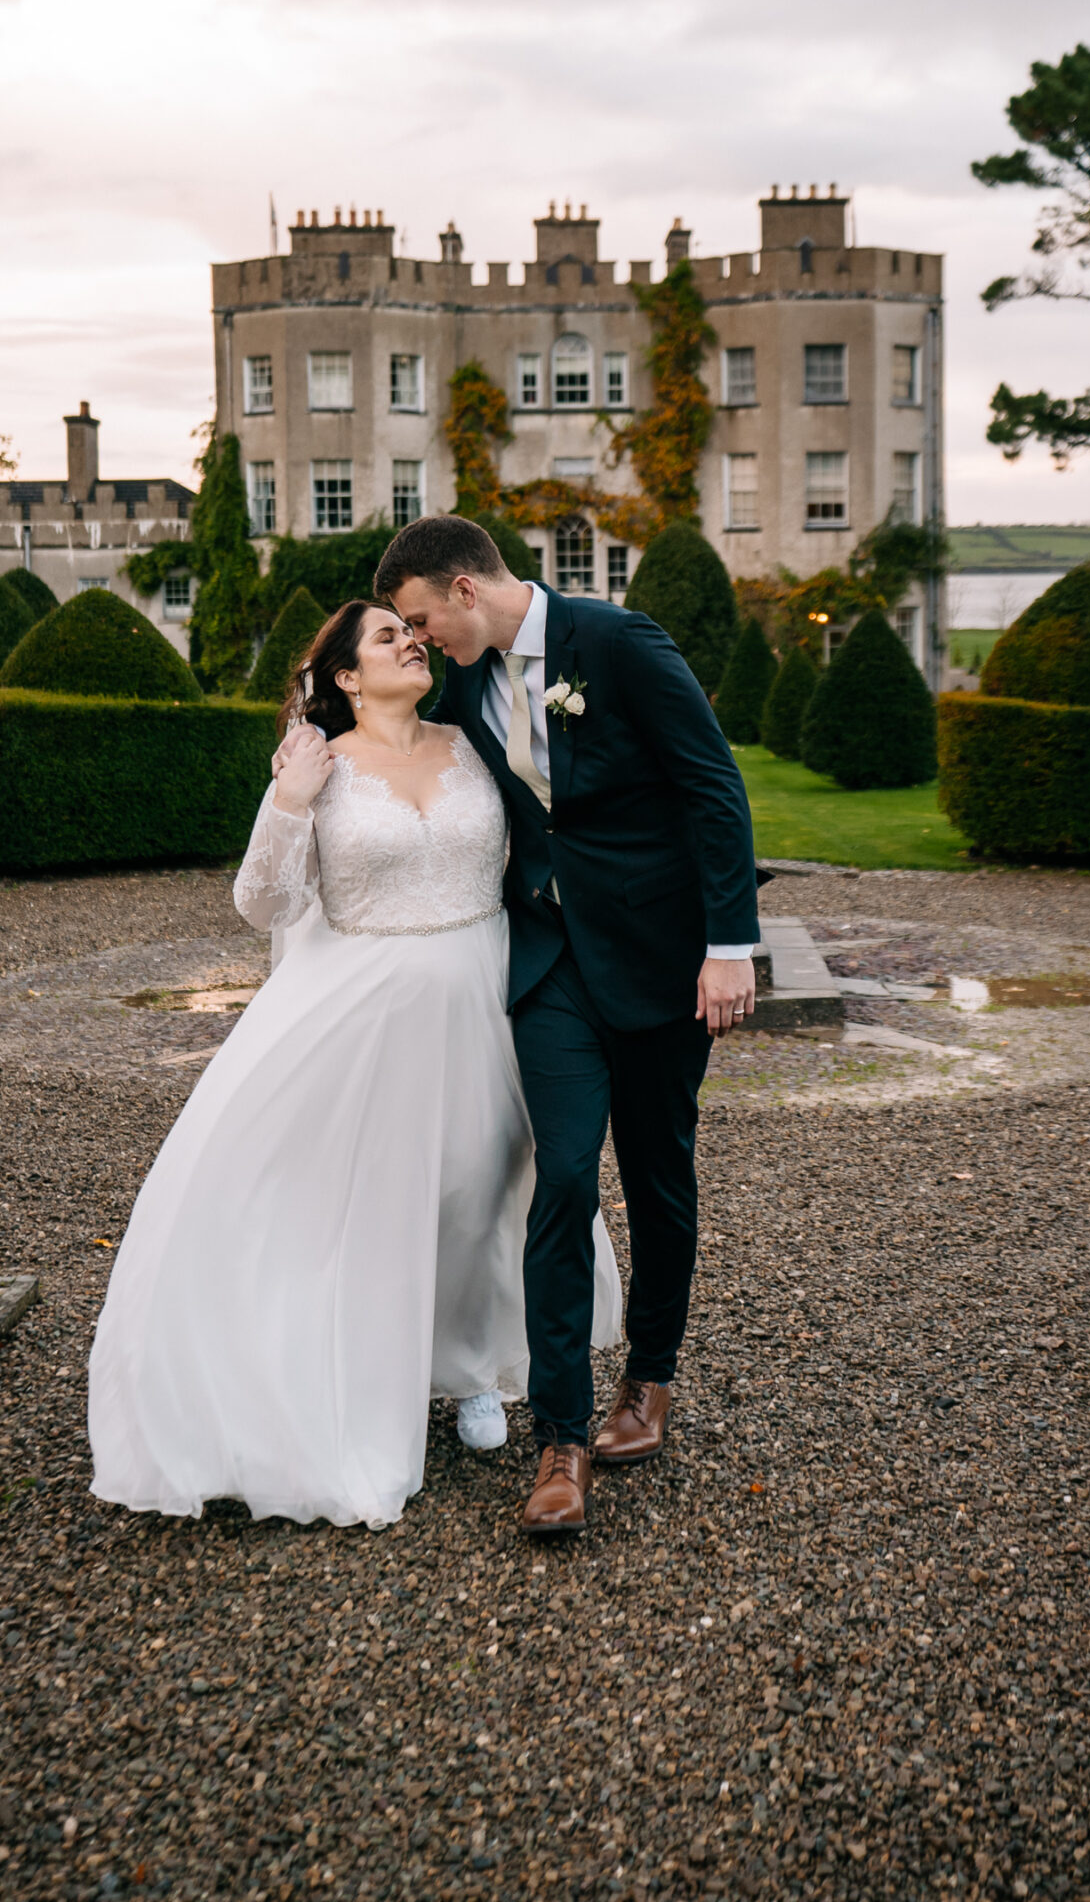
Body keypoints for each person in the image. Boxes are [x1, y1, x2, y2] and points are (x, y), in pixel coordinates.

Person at [88, 598, 622, 1533]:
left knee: (484, 1187)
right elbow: (264, 903)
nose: (412, 642)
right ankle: (362, 1377)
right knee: (373, 1200)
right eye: (388, 636)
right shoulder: (317, 767)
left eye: (413, 633)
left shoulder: (472, 745)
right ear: (345, 676)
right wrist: (289, 798)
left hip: (490, 998)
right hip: (366, 1009)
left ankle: (473, 1371)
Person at [376, 514, 759, 1538]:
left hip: (662, 960)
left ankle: (652, 1376)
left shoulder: (618, 644)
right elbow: (392, 731)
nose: (419, 645)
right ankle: (561, 1439)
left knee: (659, 1171)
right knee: (562, 1176)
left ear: (465, 587)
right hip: (548, 963)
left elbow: (713, 786)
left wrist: (730, 944)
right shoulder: (461, 683)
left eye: (420, 621)